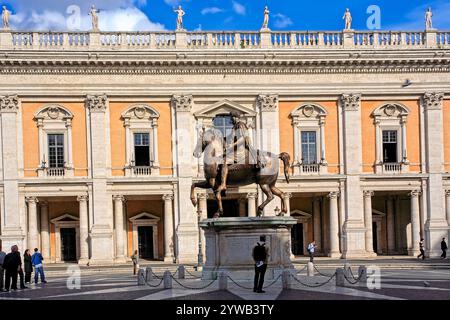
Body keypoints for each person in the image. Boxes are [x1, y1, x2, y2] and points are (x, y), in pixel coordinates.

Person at [220, 112, 262, 193]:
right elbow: (229, 138)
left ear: (235, 117)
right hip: (236, 149)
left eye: (231, 118)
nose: (230, 119)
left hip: (241, 150)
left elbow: (243, 139)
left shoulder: (240, 125)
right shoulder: (235, 127)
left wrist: (232, 145)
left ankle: (223, 184)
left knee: (224, 161)